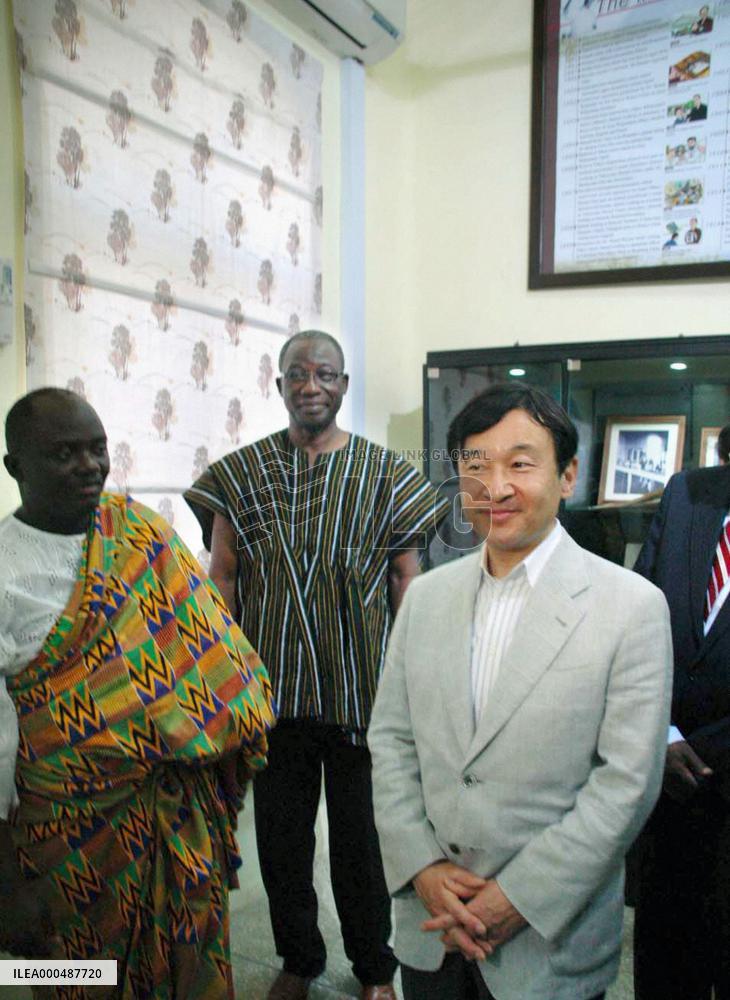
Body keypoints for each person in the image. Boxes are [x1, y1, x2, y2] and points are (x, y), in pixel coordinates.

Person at [368, 383, 673, 1000]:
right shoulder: (426, 597)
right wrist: (422, 867)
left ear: (568, 476)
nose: (496, 487)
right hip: (432, 928)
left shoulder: (631, 607)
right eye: (476, 467)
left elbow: (626, 783)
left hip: (548, 946)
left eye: (520, 464)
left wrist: (519, 897)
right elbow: (392, 740)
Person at [185, 330, 449, 1000]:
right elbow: (223, 577)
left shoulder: (387, 475)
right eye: (297, 374)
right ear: (279, 386)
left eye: (325, 374)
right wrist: (221, 677)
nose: (311, 386)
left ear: (343, 386)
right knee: (282, 842)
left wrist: (414, 679)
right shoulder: (240, 475)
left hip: (363, 690)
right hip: (272, 693)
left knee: (363, 843)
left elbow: (406, 580)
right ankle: (298, 959)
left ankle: (375, 968)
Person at [0, 387, 276, 997]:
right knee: (71, 969)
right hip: (66, 825)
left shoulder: (139, 534)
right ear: (15, 465)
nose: (89, 466)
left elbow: (213, 651)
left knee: (186, 964)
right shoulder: (4, 568)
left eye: (97, 449)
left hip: (173, 809)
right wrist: (7, 886)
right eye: (64, 454)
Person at [633, 455, 730, 999]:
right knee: (667, 974)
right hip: (669, 803)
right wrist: (662, 734)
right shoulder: (687, 494)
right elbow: (636, 622)